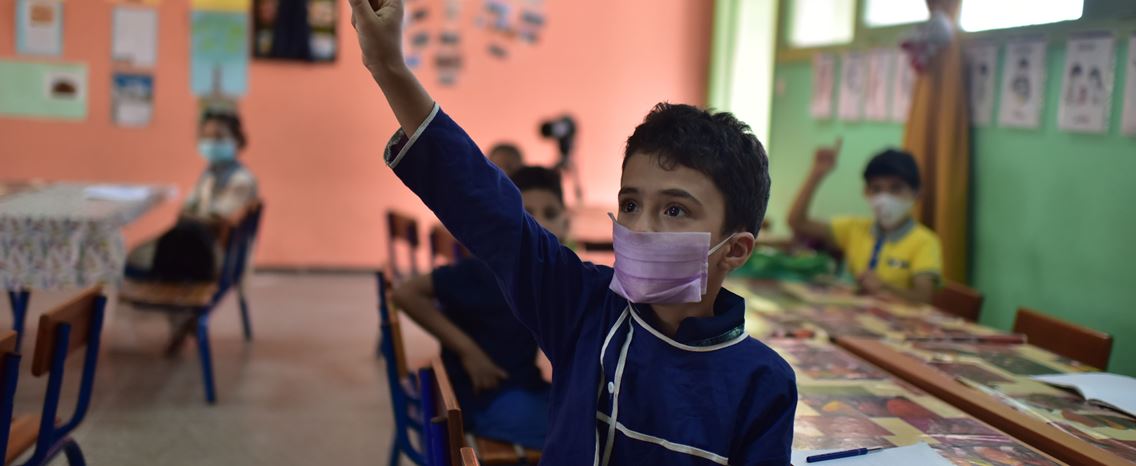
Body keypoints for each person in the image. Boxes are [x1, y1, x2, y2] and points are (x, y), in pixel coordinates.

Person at [349, 1, 797, 464]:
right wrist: (390, 68)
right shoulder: (584, 310)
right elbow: (492, 212)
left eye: (676, 210)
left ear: (735, 249)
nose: (639, 226)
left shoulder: (762, 383)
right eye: (629, 204)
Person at [391, 166, 567, 450]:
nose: (541, 224)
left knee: (596, 417)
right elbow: (405, 293)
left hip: (525, 388)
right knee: (583, 435)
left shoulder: (549, 277)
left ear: (566, 224)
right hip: (486, 400)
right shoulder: (484, 272)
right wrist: (469, 351)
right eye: (529, 213)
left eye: (550, 213)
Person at [788, 142, 942, 303]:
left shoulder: (925, 241)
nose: (884, 198)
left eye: (896, 188)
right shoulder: (855, 228)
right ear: (866, 192)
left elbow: (923, 299)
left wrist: (885, 287)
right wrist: (816, 173)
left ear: (917, 192)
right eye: (876, 189)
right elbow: (797, 222)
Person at [126, 109, 258, 281]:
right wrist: (192, 216)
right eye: (206, 137)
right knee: (136, 253)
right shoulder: (210, 174)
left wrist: (192, 217)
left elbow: (215, 220)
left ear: (238, 140)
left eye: (218, 137)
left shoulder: (241, 180)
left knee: (138, 258)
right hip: (196, 246)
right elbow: (187, 209)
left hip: (209, 256)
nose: (211, 143)